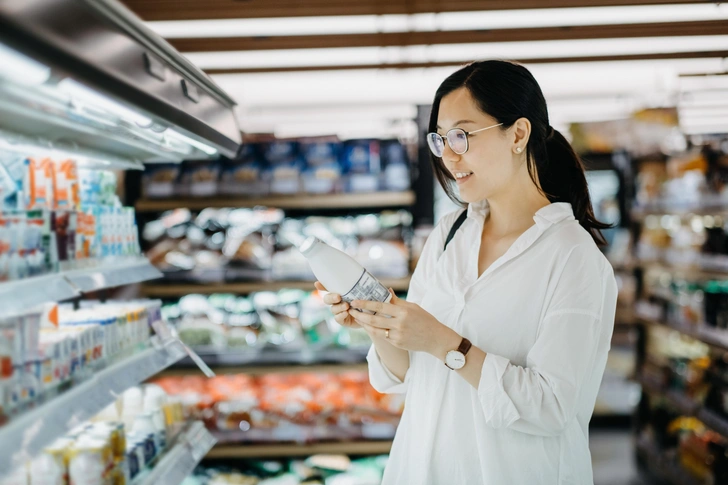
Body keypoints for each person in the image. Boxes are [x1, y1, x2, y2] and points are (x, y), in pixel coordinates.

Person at [316, 60, 618, 484]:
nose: (448, 155)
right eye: (440, 139)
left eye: (462, 135)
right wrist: (378, 322)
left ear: (518, 134)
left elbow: (551, 407)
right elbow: (405, 374)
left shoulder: (572, 257)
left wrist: (445, 343)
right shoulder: (449, 234)